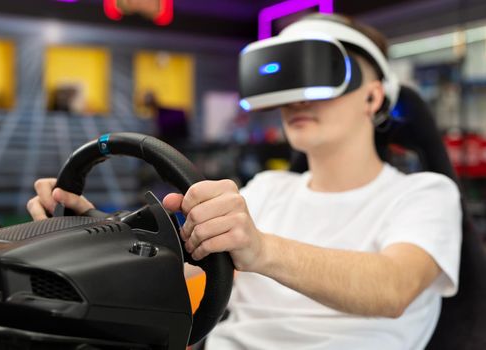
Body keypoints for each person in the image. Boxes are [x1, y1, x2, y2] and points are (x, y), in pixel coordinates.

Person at [27, 14, 462, 350]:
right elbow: (185, 272)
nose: (295, 101)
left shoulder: (424, 193)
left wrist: (262, 249)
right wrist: (91, 232)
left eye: (314, 80)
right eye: (287, 84)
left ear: (372, 95)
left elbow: (393, 288)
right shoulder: (268, 190)